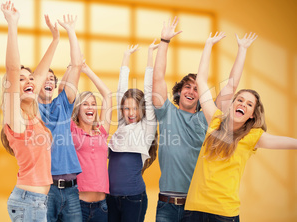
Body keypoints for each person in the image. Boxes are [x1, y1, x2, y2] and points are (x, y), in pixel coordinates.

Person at [182, 32, 297, 222]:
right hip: (194, 210)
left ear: (252, 114)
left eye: (249, 104)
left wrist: (242, 50)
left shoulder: (253, 137)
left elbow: (291, 143)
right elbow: (202, 80)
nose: (243, 104)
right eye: (240, 100)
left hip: (224, 214)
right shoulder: (215, 120)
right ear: (233, 104)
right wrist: (209, 45)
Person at [152, 17, 257, 222]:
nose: (191, 91)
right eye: (187, 87)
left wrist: (242, 50)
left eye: (197, 89)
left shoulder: (209, 118)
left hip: (197, 206)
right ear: (179, 91)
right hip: (166, 205)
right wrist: (164, 42)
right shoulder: (166, 112)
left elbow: (231, 88)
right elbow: (157, 78)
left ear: (202, 97)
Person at [0, 1, 59, 221]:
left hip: (36, 201)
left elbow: (40, 73)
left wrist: (55, 40)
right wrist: (12, 24)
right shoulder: (16, 118)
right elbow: (12, 70)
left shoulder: (33, 117)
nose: (28, 81)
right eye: (20, 80)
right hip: (28, 201)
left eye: (30, 79)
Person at [36, 14, 83, 222]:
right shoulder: (31, 108)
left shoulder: (63, 104)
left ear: (55, 85)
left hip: (72, 190)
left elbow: (77, 65)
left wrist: (70, 31)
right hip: (45, 190)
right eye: (43, 78)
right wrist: (54, 39)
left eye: (52, 79)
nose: (48, 81)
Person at [106, 42, 158, 222]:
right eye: (126, 109)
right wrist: (126, 56)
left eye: (135, 108)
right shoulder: (122, 125)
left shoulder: (147, 127)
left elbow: (150, 90)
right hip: (110, 197)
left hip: (133, 199)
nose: (131, 113)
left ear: (143, 109)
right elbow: (121, 89)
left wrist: (150, 53)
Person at [70, 62, 112, 222]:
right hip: (78, 205)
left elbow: (107, 94)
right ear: (78, 109)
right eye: (85, 104)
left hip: (102, 205)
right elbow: (67, 96)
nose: (91, 107)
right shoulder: (72, 130)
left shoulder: (101, 131)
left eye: (94, 104)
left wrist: (86, 70)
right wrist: (74, 69)